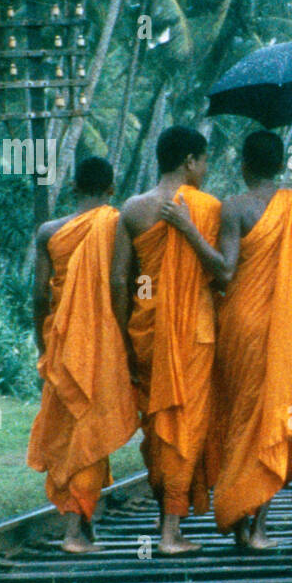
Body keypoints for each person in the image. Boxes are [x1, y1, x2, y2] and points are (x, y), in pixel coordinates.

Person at [164, 131, 292, 549]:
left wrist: (188, 229)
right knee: (273, 419)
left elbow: (223, 272)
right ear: (280, 166)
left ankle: (241, 521)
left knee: (242, 420)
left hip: (241, 324)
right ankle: (256, 527)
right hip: (288, 326)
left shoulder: (235, 208)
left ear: (243, 165)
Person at [112, 126, 220, 555]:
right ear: (190, 161)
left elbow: (123, 278)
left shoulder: (133, 209)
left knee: (159, 426)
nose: (206, 169)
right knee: (184, 425)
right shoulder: (208, 207)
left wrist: (124, 330)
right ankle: (170, 533)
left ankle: (165, 520)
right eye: (205, 161)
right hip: (195, 330)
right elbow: (223, 274)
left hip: (148, 326)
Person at [27, 157, 139, 553]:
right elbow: (123, 283)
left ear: (75, 186)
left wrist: (44, 345)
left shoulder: (48, 231)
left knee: (68, 432)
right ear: (111, 189)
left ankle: (82, 526)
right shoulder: (116, 223)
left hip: (61, 339)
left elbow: (40, 296)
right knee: (90, 431)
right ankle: (74, 533)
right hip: (101, 342)